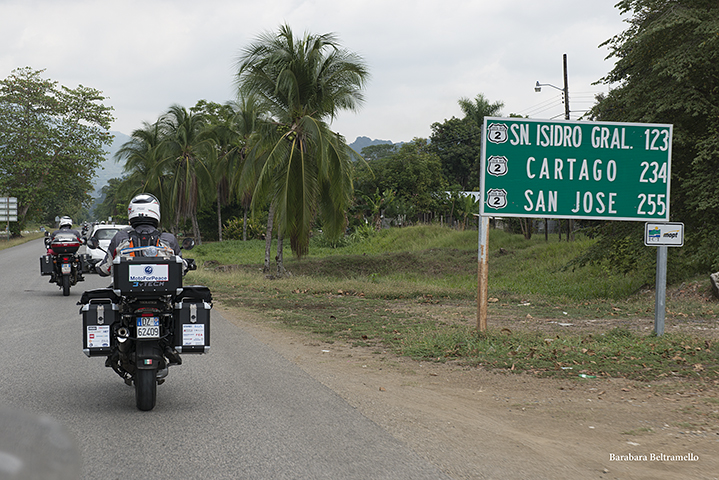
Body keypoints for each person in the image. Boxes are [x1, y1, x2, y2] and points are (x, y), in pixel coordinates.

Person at [96, 194, 181, 277]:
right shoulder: (168, 238)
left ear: (131, 211)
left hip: (127, 290)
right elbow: (181, 269)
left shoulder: (120, 237)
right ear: (156, 211)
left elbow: (105, 269)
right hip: (163, 289)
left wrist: (98, 267)